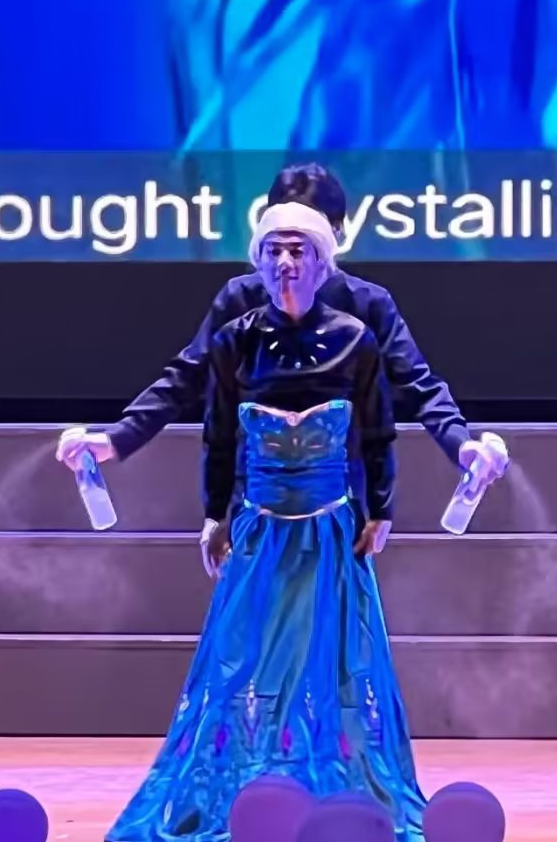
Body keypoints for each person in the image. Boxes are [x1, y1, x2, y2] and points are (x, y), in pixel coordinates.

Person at [105, 201, 426, 840]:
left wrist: (381, 508)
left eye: (298, 250)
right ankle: (238, 786)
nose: (285, 262)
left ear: (322, 261)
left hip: (331, 530)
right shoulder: (235, 340)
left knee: (335, 656)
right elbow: (219, 434)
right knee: (241, 658)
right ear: (258, 261)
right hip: (259, 526)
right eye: (273, 250)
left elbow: (377, 431)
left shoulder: (356, 340)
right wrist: (214, 514)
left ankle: (342, 789)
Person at [57, 163, 510, 497]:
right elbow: (186, 376)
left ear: (335, 235)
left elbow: (419, 386)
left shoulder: (368, 305)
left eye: (305, 238)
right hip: (254, 488)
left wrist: (462, 445)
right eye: (278, 239)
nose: (288, 259)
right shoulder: (240, 299)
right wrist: (115, 437)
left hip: (339, 492)